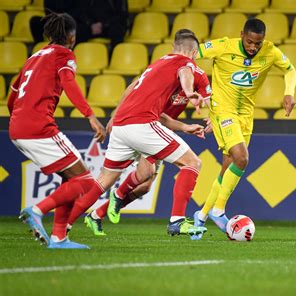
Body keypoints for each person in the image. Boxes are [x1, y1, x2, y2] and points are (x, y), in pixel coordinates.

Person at [63, 29, 208, 238]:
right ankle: (177, 221)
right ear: (193, 53)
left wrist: (114, 116)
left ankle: (63, 228)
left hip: (122, 126)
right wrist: (188, 92)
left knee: (104, 180)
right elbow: (186, 74)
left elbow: (132, 91)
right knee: (192, 163)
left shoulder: (155, 65)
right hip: (143, 125)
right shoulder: (186, 64)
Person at [192, 18, 296, 239]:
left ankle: (200, 216)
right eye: (249, 42)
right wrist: (197, 88)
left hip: (246, 117)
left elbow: (290, 70)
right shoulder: (223, 46)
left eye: (257, 44)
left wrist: (289, 92)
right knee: (242, 158)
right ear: (242, 35)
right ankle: (219, 210)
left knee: (228, 167)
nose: (253, 47)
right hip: (223, 112)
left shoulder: (269, 51)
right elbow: (191, 54)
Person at [10, 13, 106, 249]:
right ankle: (37, 210)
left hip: (17, 127)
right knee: (85, 181)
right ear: (72, 37)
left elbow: (13, 96)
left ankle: (59, 238)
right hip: (38, 126)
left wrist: (20, 117)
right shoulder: (64, 54)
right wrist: (90, 115)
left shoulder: (33, 57)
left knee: (69, 177)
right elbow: (68, 83)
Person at [84, 65, 213, 237]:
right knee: (151, 171)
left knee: (144, 186)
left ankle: (97, 214)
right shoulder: (165, 73)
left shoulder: (195, 77)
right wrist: (116, 115)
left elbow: (209, 97)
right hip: (145, 126)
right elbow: (134, 88)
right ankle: (114, 198)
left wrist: (213, 117)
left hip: (160, 130)